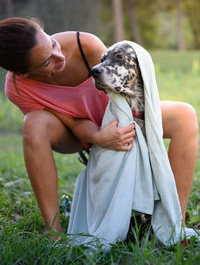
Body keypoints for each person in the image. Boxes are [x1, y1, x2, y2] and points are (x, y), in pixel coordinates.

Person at [0, 17, 198, 235]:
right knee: (33, 124)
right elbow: (74, 121)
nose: (60, 56)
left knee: (184, 115)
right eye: (47, 62)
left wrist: (124, 131)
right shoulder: (18, 88)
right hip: (75, 134)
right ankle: (54, 232)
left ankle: (172, 224)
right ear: (25, 74)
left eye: (53, 44)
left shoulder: (85, 45)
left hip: (121, 113)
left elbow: (128, 90)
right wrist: (99, 137)